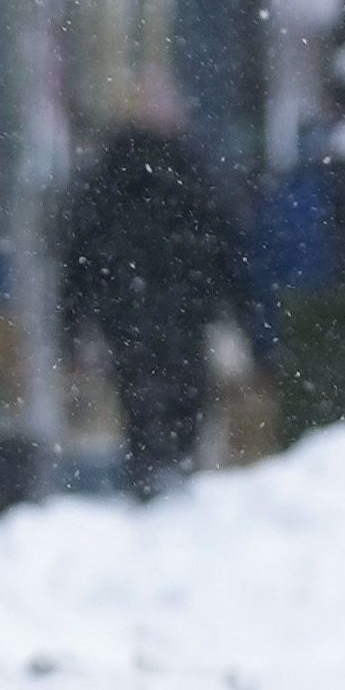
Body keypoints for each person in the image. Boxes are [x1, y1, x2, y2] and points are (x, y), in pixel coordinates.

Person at [50, 111, 248, 497]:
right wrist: (237, 310)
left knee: (137, 391)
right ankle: (178, 462)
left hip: (125, 312)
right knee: (185, 386)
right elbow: (227, 247)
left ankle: (147, 464)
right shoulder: (191, 174)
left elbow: (78, 260)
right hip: (184, 310)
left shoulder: (106, 181)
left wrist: (71, 330)